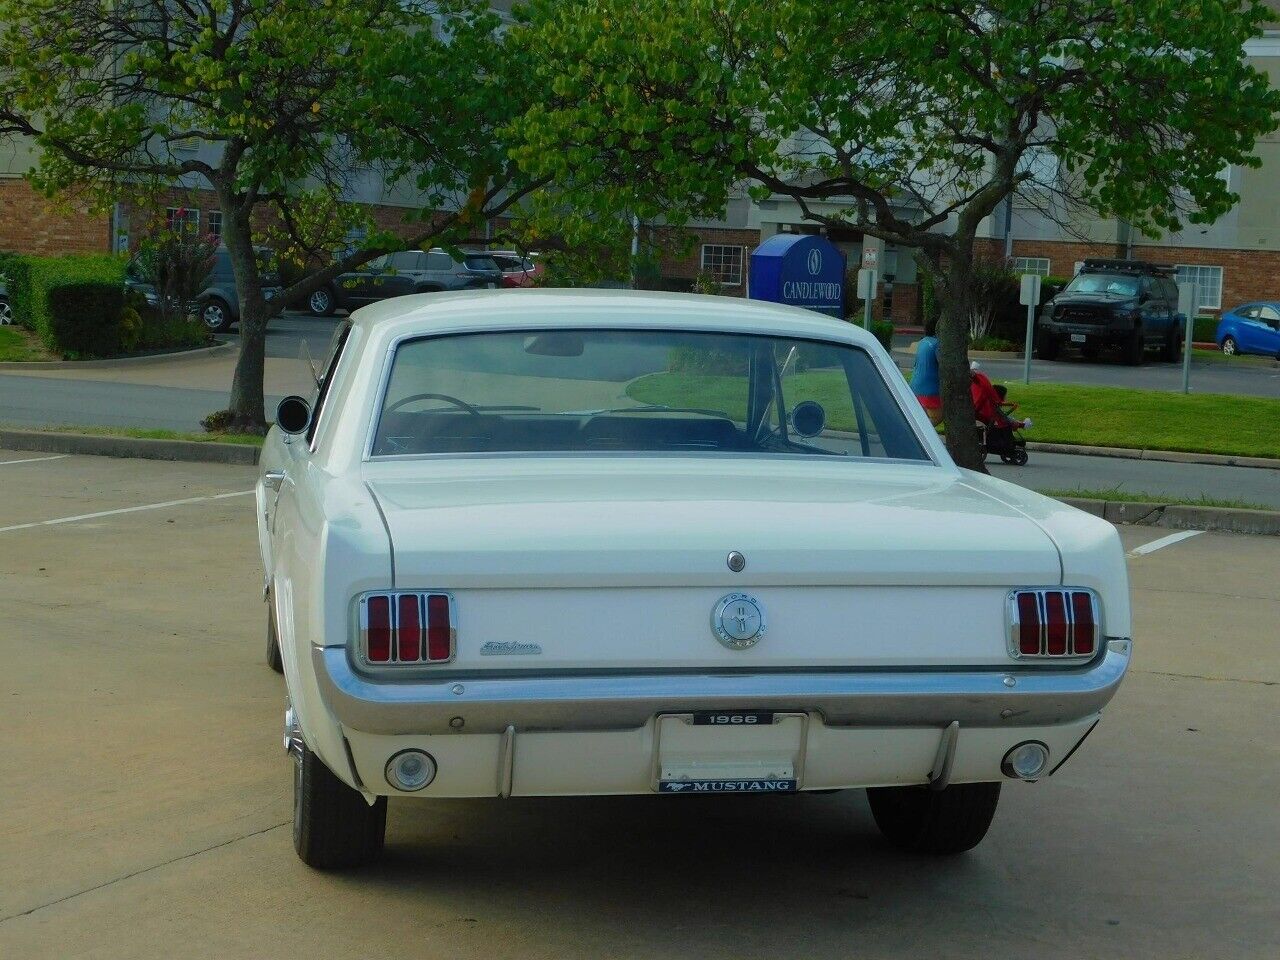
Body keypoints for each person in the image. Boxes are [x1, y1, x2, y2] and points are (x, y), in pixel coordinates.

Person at [911, 316, 942, 425]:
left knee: (922, 418)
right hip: (930, 389)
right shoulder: (937, 344)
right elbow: (943, 365)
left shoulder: (922, 342)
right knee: (937, 417)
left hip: (915, 386)